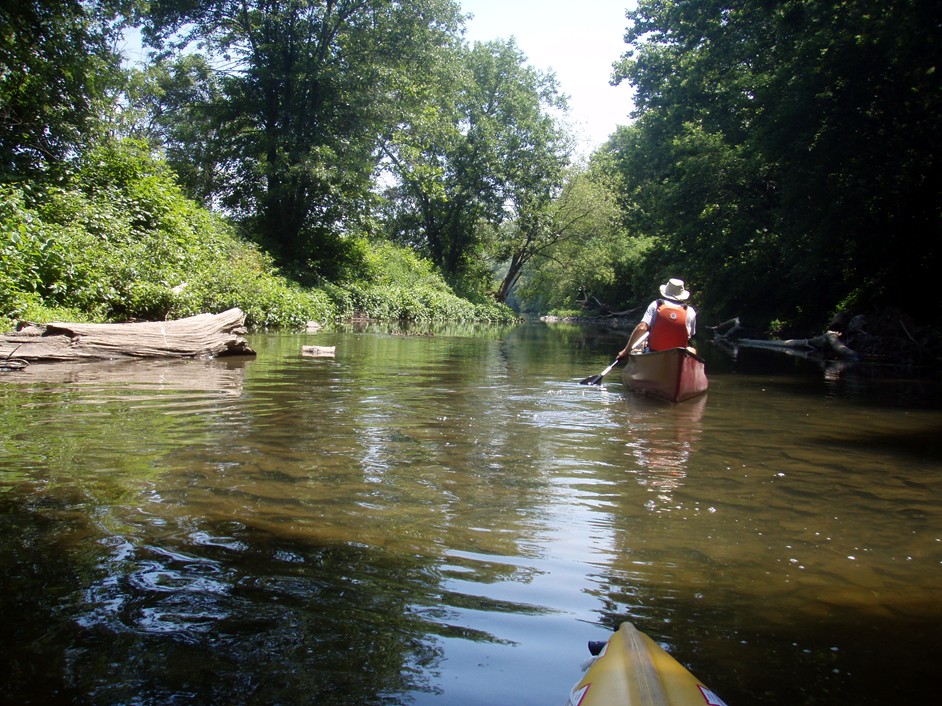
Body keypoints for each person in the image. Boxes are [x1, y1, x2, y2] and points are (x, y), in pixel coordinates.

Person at [616, 278, 697, 360]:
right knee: (692, 349)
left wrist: (626, 351)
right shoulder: (690, 311)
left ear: (666, 292)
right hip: (678, 357)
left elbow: (642, 328)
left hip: (654, 353)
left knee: (641, 344)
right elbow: (689, 336)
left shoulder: (655, 305)